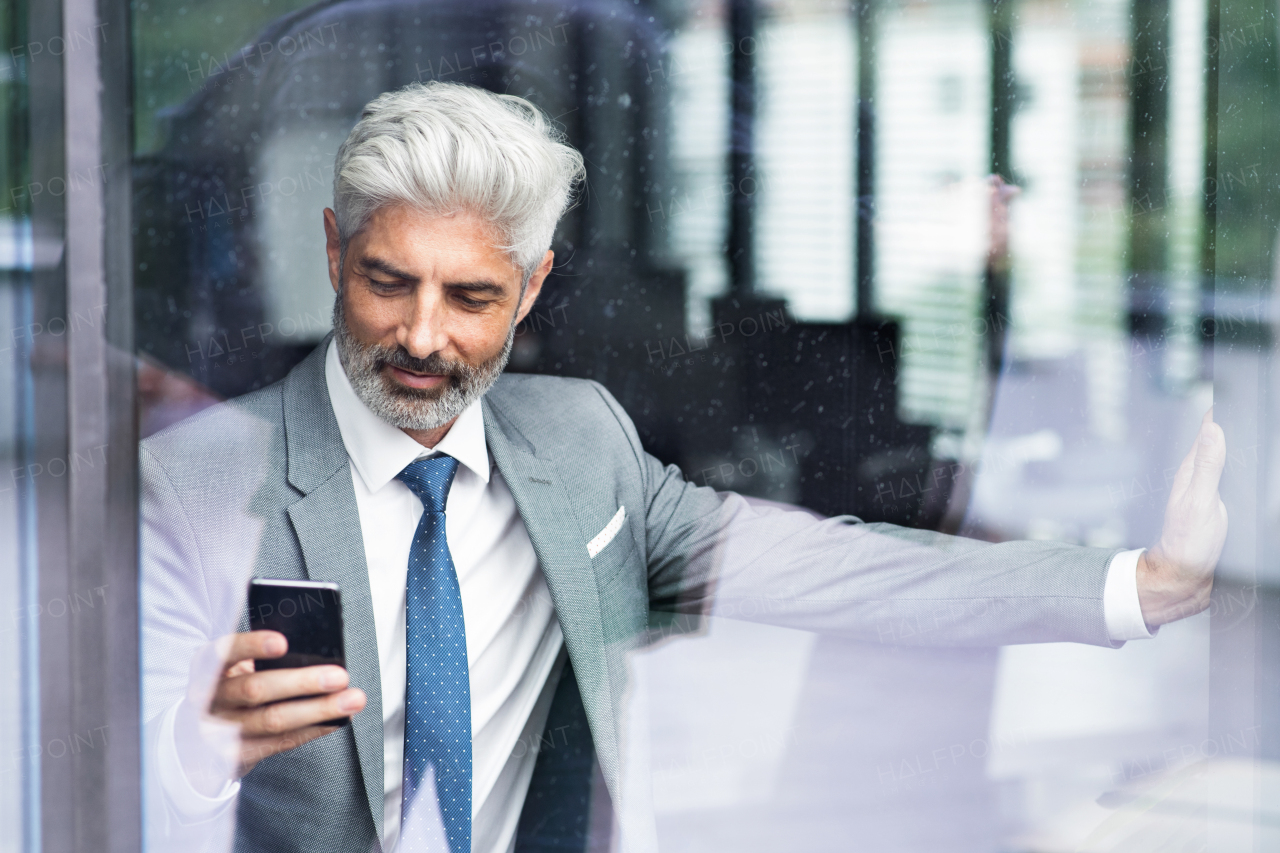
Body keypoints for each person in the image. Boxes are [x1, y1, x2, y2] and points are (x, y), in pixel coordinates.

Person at [140, 81, 1228, 853]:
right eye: (386, 282)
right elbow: (102, 782)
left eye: (469, 297)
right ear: (334, 253)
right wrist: (199, 749)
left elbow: (837, 569)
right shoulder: (191, 481)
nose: (421, 336)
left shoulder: (580, 441)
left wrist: (1133, 582)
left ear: (528, 289)